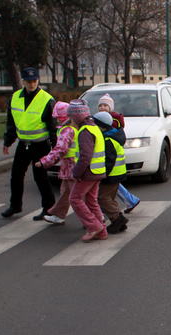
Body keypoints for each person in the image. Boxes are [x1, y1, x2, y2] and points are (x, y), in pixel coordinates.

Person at [1, 67, 57, 220]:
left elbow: (52, 125)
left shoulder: (46, 99)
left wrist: (55, 145)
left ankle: (48, 208)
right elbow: (12, 122)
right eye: (28, 81)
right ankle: (15, 205)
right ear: (23, 81)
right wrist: (8, 140)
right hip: (24, 143)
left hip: (41, 144)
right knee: (16, 175)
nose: (32, 84)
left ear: (37, 80)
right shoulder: (15, 98)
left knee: (40, 177)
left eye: (34, 81)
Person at [68, 99, 107, 241]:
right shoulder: (94, 127)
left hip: (88, 172)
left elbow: (85, 156)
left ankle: (94, 226)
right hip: (97, 171)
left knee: (74, 198)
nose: (70, 121)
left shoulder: (84, 132)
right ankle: (101, 231)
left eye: (71, 118)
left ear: (76, 117)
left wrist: (76, 173)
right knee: (91, 201)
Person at [34, 102, 77, 225]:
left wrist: (44, 161)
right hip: (70, 167)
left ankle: (95, 219)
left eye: (57, 117)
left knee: (78, 197)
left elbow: (60, 149)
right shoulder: (73, 128)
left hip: (71, 167)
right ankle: (59, 215)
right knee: (66, 193)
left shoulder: (66, 130)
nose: (56, 120)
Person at [97, 93, 140, 214]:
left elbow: (112, 134)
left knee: (108, 185)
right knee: (112, 184)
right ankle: (131, 201)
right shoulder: (100, 118)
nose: (103, 107)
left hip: (110, 154)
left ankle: (101, 213)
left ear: (111, 107)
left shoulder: (111, 120)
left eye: (106, 105)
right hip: (109, 155)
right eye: (100, 105)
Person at [93, 111, 129, 234]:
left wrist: (103, 173)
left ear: (101, 126)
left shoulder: (107, 140)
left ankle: (118, 219)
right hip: (118, 173)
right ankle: (118, 222)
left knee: (102, 197)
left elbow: (109, 159)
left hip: (111, 174)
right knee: (111, 198)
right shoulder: (114, 136)